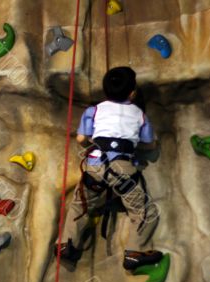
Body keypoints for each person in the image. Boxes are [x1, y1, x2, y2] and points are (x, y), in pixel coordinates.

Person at [56, 67, 164, 271]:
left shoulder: (94, 110)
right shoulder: (139, 115)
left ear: (105, 90)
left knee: (81, 206)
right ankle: (134, 252)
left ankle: (65, 244)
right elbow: (149, 144)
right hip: (122, 169)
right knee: (144, 212)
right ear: (132, 93)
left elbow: (80, 139)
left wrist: (96, 141)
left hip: (95, 165)